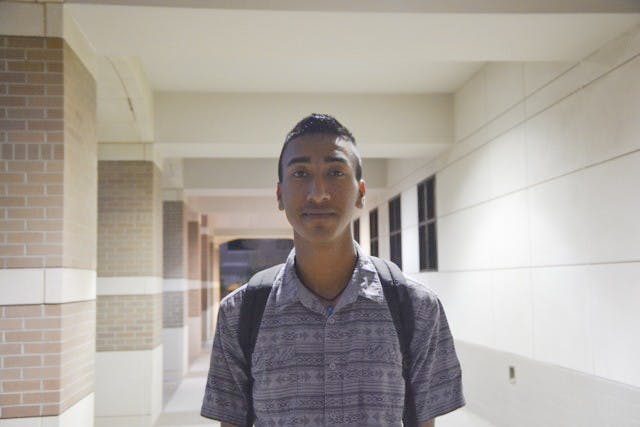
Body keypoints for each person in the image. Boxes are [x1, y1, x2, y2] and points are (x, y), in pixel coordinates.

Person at [201, 114, 465, 426]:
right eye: (300, 173)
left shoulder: (416, 307)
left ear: (361, 193)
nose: (318, 193)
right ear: (280, 195)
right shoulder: (240, 314)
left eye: (336, 172)